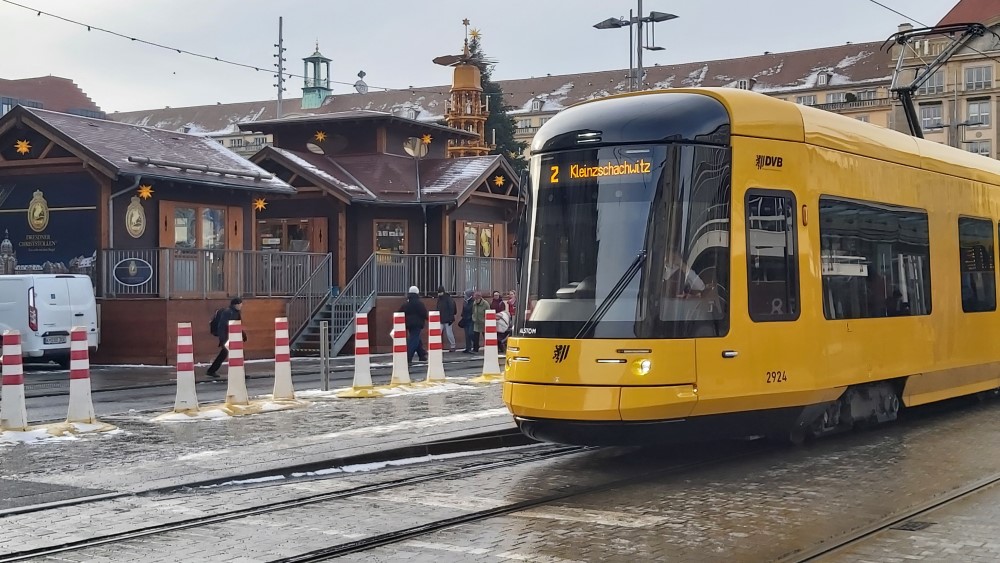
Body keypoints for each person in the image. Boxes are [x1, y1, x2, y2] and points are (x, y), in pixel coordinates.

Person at [206, 297, 243, 378]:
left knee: (227, 353)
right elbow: (221, 326)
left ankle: (211, 370)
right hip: (227, 336)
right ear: (235, 305)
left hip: (232, 336)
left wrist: (242, 334)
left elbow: (237, 324)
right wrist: (222, 339)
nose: (241, 305)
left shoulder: (236, 312)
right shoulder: (228, 312)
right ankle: (211, 370)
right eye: (240, 304)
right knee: (228, 353)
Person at [399, 285, 428, 364]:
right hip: (417, 324)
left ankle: (422, 354)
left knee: (416, 337)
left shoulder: (406, 303)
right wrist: (429, 319)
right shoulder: (419, 304)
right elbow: (424, 313)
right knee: (414, 339)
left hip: (408, 324)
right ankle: (409, 356)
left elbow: (400, 312)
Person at [436, 286, 457, 352]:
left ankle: (453, 346)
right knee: (446, 333)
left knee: (448, 333)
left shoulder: (444, 299)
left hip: (446, 319)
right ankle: (452, 345)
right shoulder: (447, 298)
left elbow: (451, 309)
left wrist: (450, 318)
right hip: (443, 319)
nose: (439, 294)